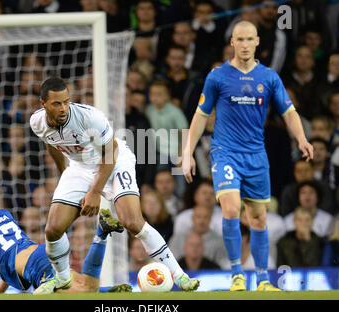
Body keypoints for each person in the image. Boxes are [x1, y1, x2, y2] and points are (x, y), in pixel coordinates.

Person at [29, 77, 199, 292]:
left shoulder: (89, 117)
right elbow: (52, 143)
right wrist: (65, 174)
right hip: (80, 168)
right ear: (43, 104)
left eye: (66, 101)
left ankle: (179, 276)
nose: (63, 108)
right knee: (53, 229)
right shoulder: (37, 122)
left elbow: (111, 152)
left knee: (132, 222)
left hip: (115, 162)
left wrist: (95, 192)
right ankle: (62, 277)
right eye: (57, 104)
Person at [182, 20, 313, 292]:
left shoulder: (269, 77)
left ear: (257, 43)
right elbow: (200, 115)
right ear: (232, 42)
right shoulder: (218, 76)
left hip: (256, 155)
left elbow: (289, 112)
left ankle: (263, 279)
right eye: (239, 40)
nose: (244, 45)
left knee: (259, 219)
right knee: (230, 209)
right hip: (225, 152)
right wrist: (187, 152)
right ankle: (237, 274)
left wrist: (301, 138)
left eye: (249, 39)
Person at [0, 185, 130, 294]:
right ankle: (106, 288)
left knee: (85, 294)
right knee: (88, 287)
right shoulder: (1, 213)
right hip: (43, 253)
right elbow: (8, 261)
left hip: (35, 268)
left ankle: (102, 234)